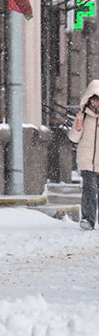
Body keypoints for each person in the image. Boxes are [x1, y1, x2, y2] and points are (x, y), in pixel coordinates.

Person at [68, 79, 99, 230]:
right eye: (94, 99)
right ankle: (88, 219)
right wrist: (78, 128)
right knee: (89, 189)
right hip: (86, 160)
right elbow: (73, 138)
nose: (96, 103)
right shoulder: (83, 116)